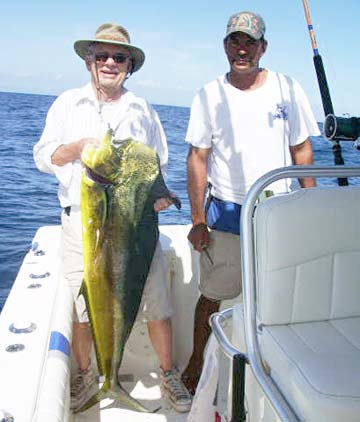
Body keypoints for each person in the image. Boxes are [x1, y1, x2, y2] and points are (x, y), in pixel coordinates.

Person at [33, 23, 191, 413]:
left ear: (129, 66)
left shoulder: (142, 110)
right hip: (83, 224)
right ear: (88, 60)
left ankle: (168, 375)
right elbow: (42, 157)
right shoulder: (68, 104)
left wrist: (159, 197)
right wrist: (73, 149)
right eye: (101, 55)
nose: (109, 63)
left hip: (135, 226)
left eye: (118, 57)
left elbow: (159, 165)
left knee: (156, 299)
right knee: (85, 305)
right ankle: (93, 376)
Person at [182, 11, 320, 395]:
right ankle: (196, 363)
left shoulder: (288, 88)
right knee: (211, 294)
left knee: (279, 296)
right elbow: (197, 158)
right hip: (227, 213)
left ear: (263, 47)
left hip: (279, 210)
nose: (242, 49)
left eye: (250, 42)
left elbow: (302, 151)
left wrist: (311, 206)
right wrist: (197, 220)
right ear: (225, 46)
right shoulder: (208, 94)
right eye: (234, 41)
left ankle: (275, 367)